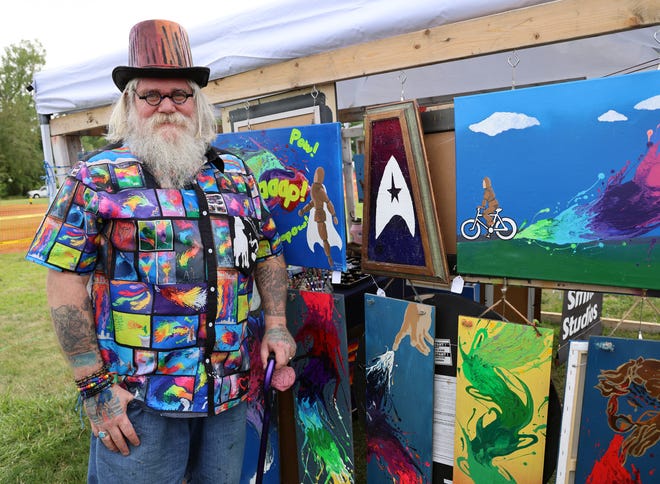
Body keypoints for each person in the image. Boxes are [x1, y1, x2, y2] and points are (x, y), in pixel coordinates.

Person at [26, 19, 296, 483]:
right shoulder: (96, 178)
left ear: (197, 101)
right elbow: (65, 285)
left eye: (180, 94)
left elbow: (267, 251)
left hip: (225, 392)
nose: (167, 106)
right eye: (151, 95)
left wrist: (276, 325)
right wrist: (94, 388)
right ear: (130, 102)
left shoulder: (234, 174)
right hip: (138, 403)